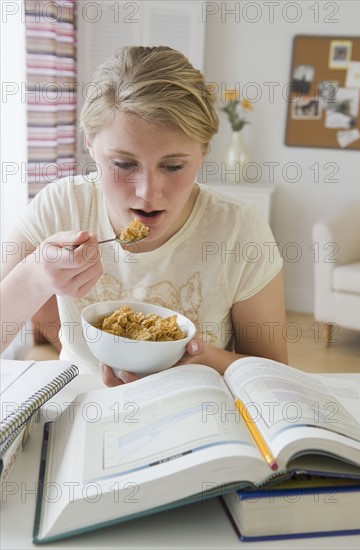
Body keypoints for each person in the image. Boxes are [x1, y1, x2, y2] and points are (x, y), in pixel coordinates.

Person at [1, 45, 288, 386]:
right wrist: (36, 277)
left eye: (173, 166)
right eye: (123, 164)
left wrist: (201, 360)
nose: (148, 193)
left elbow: (276, 377)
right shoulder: (62, 204)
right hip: (80, 407)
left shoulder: (239, 230)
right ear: (91, 145)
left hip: (194, 409)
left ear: (204, 152)